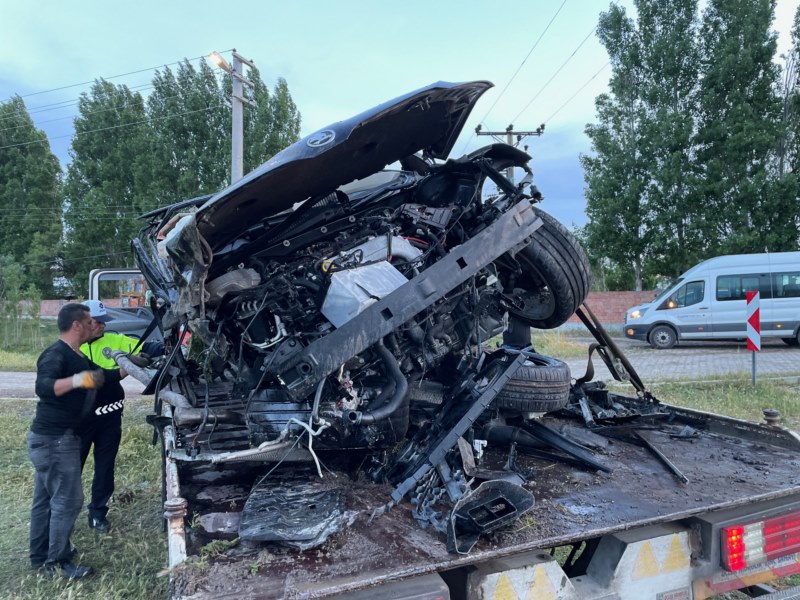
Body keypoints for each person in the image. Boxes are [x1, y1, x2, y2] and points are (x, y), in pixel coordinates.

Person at [28, 303, 118, 579]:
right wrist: (79, 380)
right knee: (68, 501)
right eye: (89, 321)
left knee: (45, 500)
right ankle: (57, 562)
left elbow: (104, 377)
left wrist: (137, 364)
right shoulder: (56, 354)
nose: (94, 325)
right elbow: (44, 386)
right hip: (55, 440)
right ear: (76, 324)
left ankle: (40, 555)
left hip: (52, 440)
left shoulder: (77, 354)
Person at [79, 299, 163, 533]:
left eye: (104, 322)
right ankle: (63, 512)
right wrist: (121, 371)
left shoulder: (114, 340)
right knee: (73, 466)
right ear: (83, 323)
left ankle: (98, 512)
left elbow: (146, 347)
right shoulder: (71, 349)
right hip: (81, 421)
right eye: (98, 322)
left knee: (105, 466)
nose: (103, 327)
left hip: (110, 416)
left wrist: (166, 348)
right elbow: (84, 381)